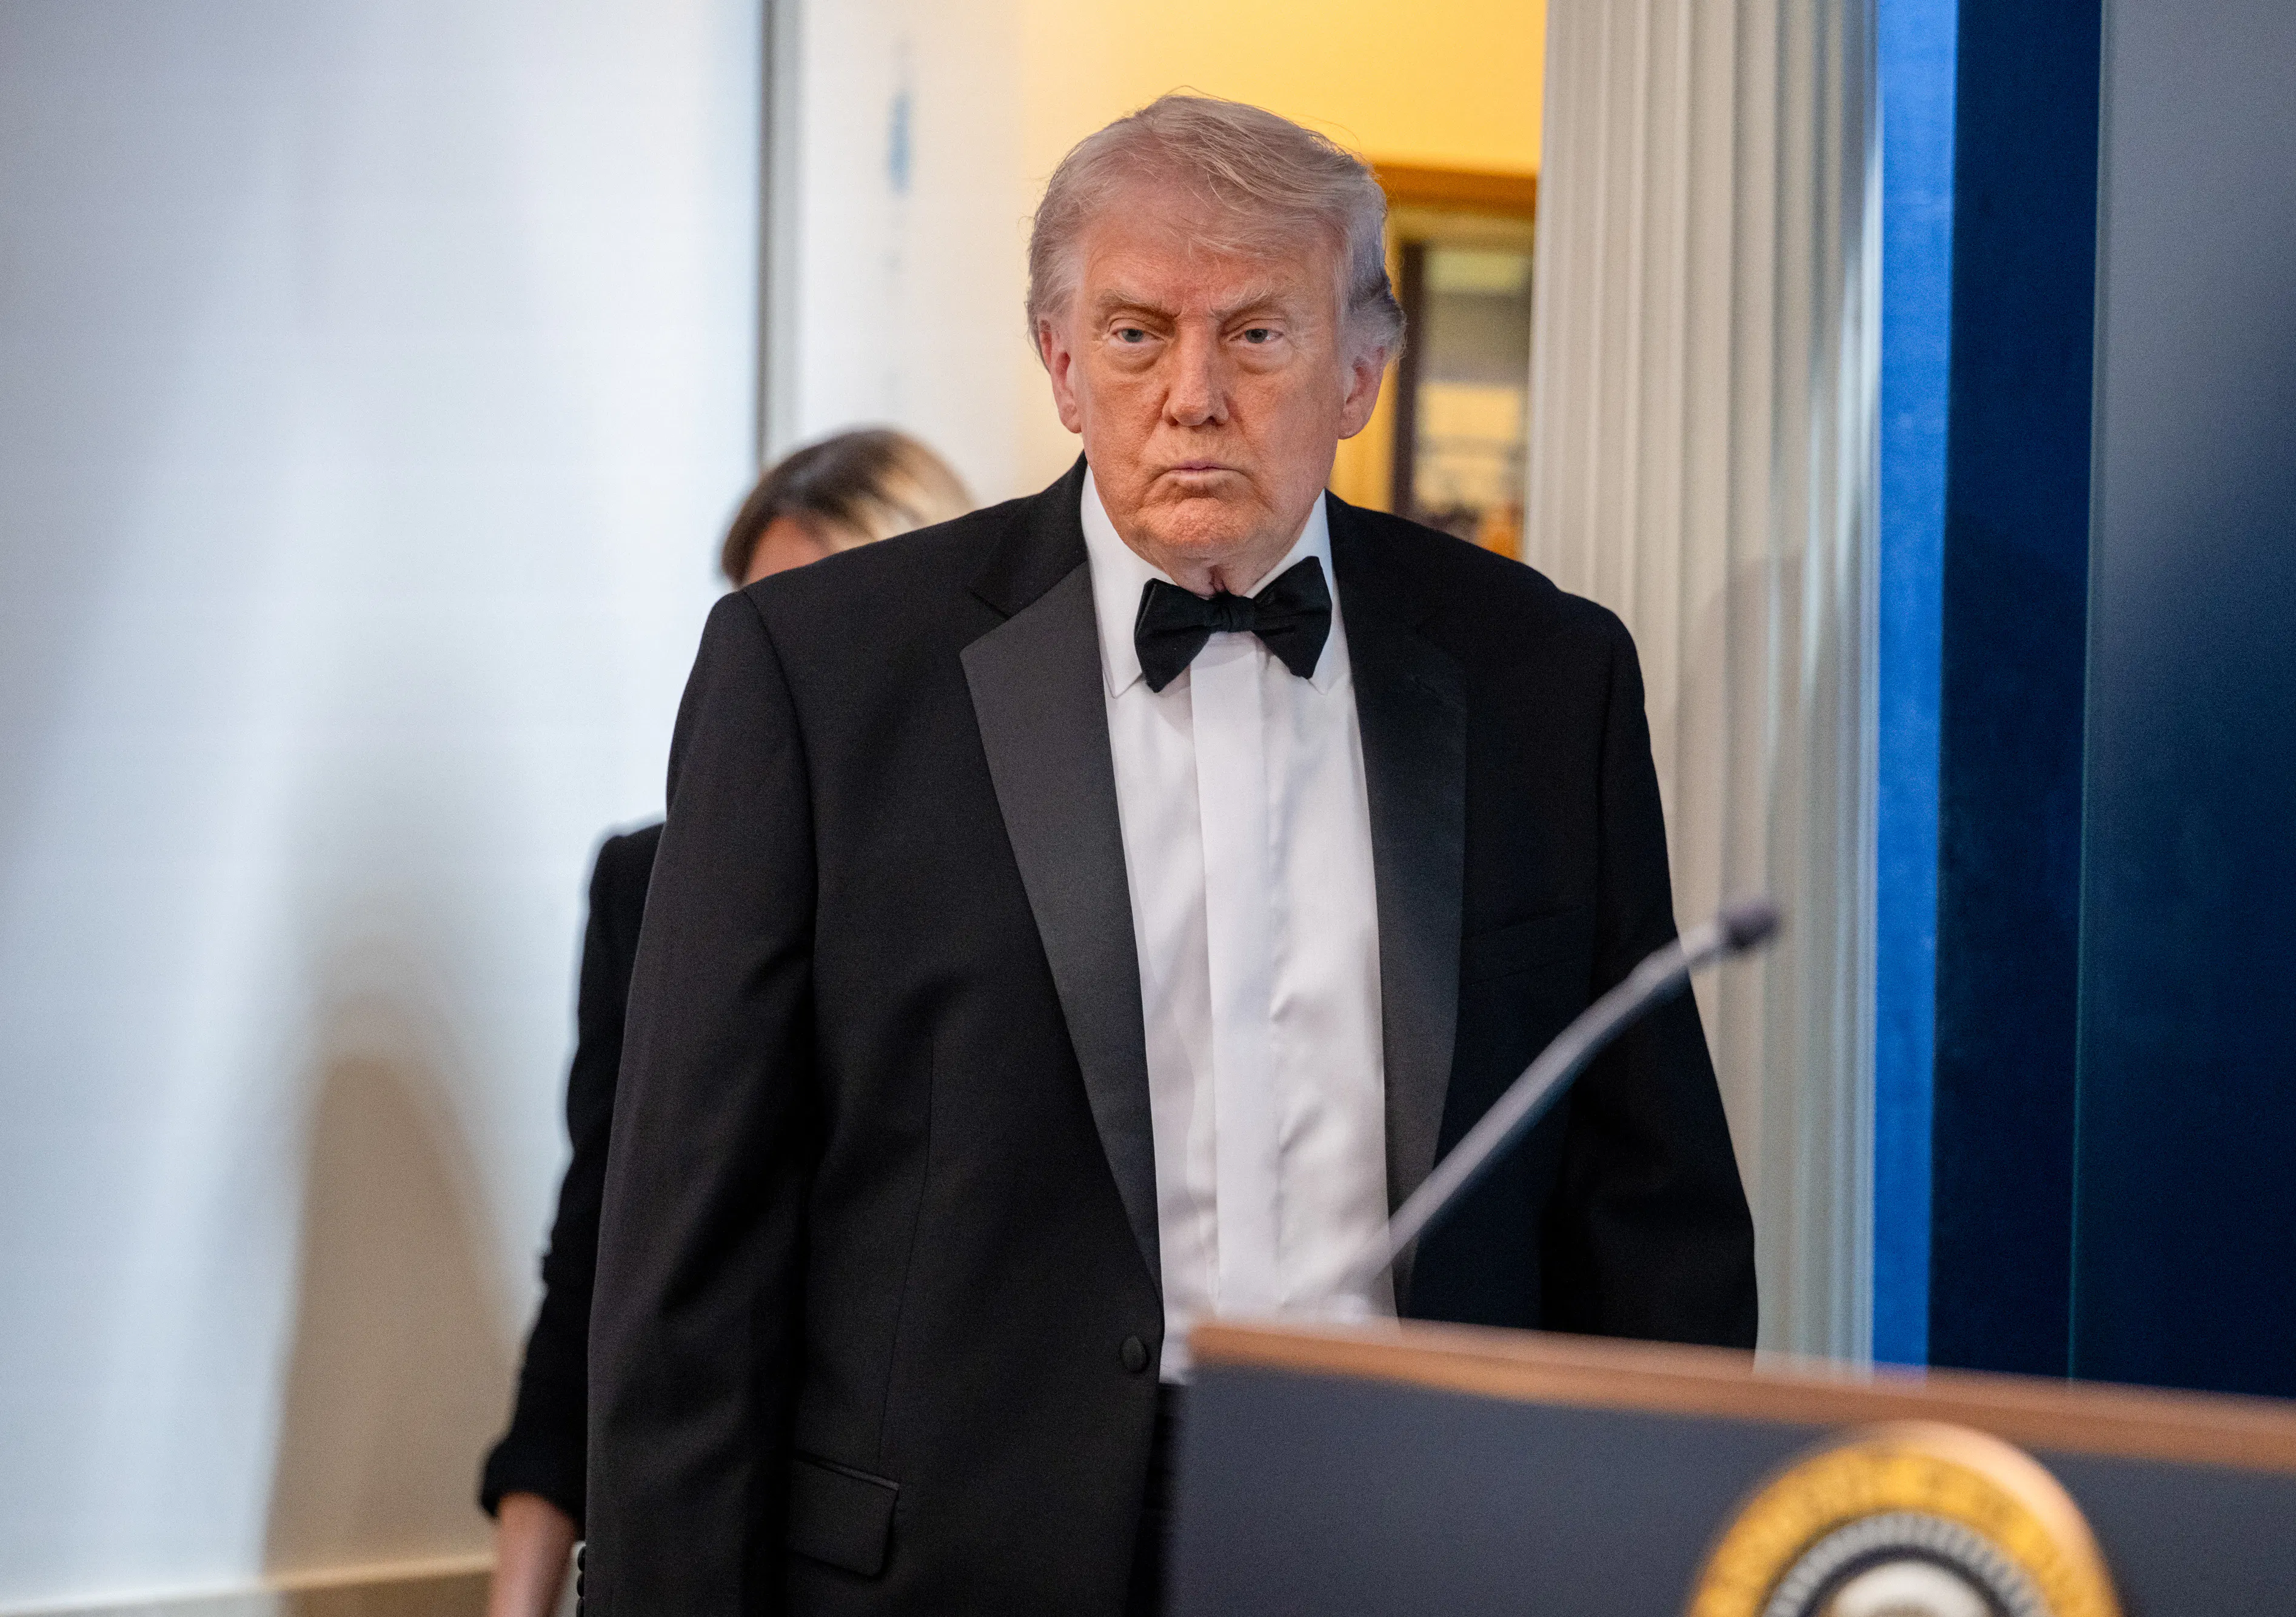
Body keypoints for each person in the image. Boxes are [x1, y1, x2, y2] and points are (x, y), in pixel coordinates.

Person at [584, 95, 1757, 1617]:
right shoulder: (816, 674)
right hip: (952, 1566)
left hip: (1428, 1548)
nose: (1191, 394)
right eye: (1137, 334)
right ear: (1062, 367)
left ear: (1359, 370)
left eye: (1255, 334)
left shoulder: (1545, 675)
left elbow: (1646, 1213)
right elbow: (690, 1245)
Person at [476, 429, 973, 1617]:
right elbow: (603, 1259)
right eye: (756, 621)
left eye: (820, 618)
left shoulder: (1013, 898)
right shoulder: (652, 885)